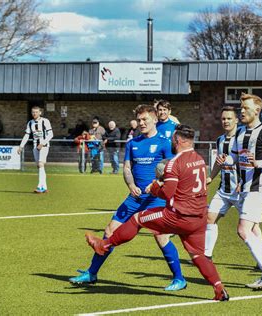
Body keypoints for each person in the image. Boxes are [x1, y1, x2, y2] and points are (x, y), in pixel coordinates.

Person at [85, 124, 229, 301]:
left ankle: (104, 245)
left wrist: (155, 188)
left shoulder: (174, 163)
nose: (171, 142)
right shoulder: (199, 159)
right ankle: (219, 288)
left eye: (173, 139)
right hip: (199, 218)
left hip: (178, 216)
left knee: (138, 218)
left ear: (177, 140)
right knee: (198, 255)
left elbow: (167, 193)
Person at [70, 105, 187, 291]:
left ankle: (179, 279)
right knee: (110, 230)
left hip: (156, 199)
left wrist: (159, 184)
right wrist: (131, 185)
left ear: (155, 119)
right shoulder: (133, 143)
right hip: (134, 198)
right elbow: (126, 168)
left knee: (161, 236)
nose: (141, 123)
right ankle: (91, 273)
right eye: (139, 120)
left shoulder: (166, 143)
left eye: (145, 120)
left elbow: (173, 170)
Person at [218, 93, 262, 290]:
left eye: (246, 108)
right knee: (253, 230)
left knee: (243, 229)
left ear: (257, 110)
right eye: (241, 108)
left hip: (259, 188)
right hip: (245, 188)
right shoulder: (240, 133)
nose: (242, 111)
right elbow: (237, 160)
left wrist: (259, 163)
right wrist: (227, 162)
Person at [204, 106, 242, 259]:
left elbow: (248, 162)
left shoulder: (242, 140)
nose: (226, 121)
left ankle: (261, 260)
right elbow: (218, 162)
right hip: (224, 190)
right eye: (223, 119)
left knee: (251, 228)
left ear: (237, 120)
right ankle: (207, 255)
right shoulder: (220, 140)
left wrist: (244, 181)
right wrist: (210, 177)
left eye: (229, 118)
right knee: (209, 218)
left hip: (241, 191)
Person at [17, 106, 54, 193]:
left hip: (44, 146)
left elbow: (51, 134)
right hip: (35, 146)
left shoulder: (45, 121)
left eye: (36, 112)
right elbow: (27, 135)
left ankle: (39, 187)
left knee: (41, 164)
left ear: (40, 113)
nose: (34, 113)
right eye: (33, 112)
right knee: (39, 166)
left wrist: (43, 143)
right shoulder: (30, 123)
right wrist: (21, 146)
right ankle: (44, 187)